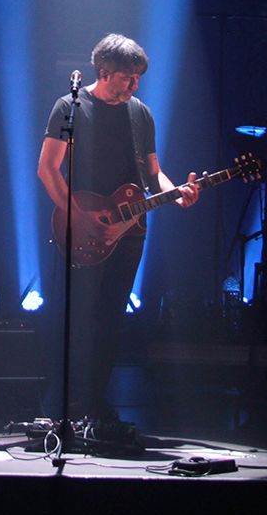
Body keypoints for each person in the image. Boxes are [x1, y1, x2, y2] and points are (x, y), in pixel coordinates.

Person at [36, 33, 199, 421]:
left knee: (111, 318)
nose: (135, 85)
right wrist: (78, 215)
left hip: (130, 231)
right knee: (76, 318)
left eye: (138, 77)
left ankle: (95, 404)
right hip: (81, 228)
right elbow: (47, 170)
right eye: (128, 77)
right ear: (104, 71)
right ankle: (60, 405)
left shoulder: (140, 114)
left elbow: (153, 173)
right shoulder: (70, 107)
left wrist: (176, 192)